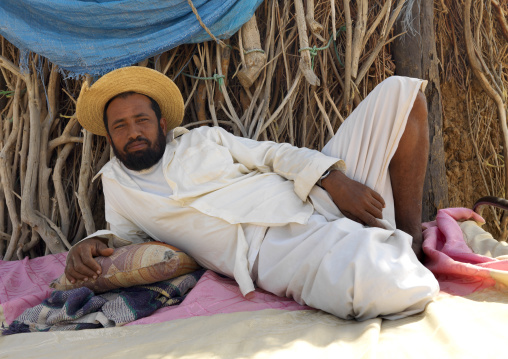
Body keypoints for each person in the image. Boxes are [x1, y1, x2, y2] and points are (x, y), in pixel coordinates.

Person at [67, 66, 439, 320]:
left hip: (315, 191)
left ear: (161, 123)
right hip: (269, 246)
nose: (133, 132)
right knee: (376, 283)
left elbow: (273, 154)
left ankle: (412, 240)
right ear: (108, 135)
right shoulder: (117, 184)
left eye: (142, 120)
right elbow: (122, 237)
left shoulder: (204, 138)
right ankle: (385, 249)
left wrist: (332, 178)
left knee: (401, 94)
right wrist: (90, 243)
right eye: (120, 125)